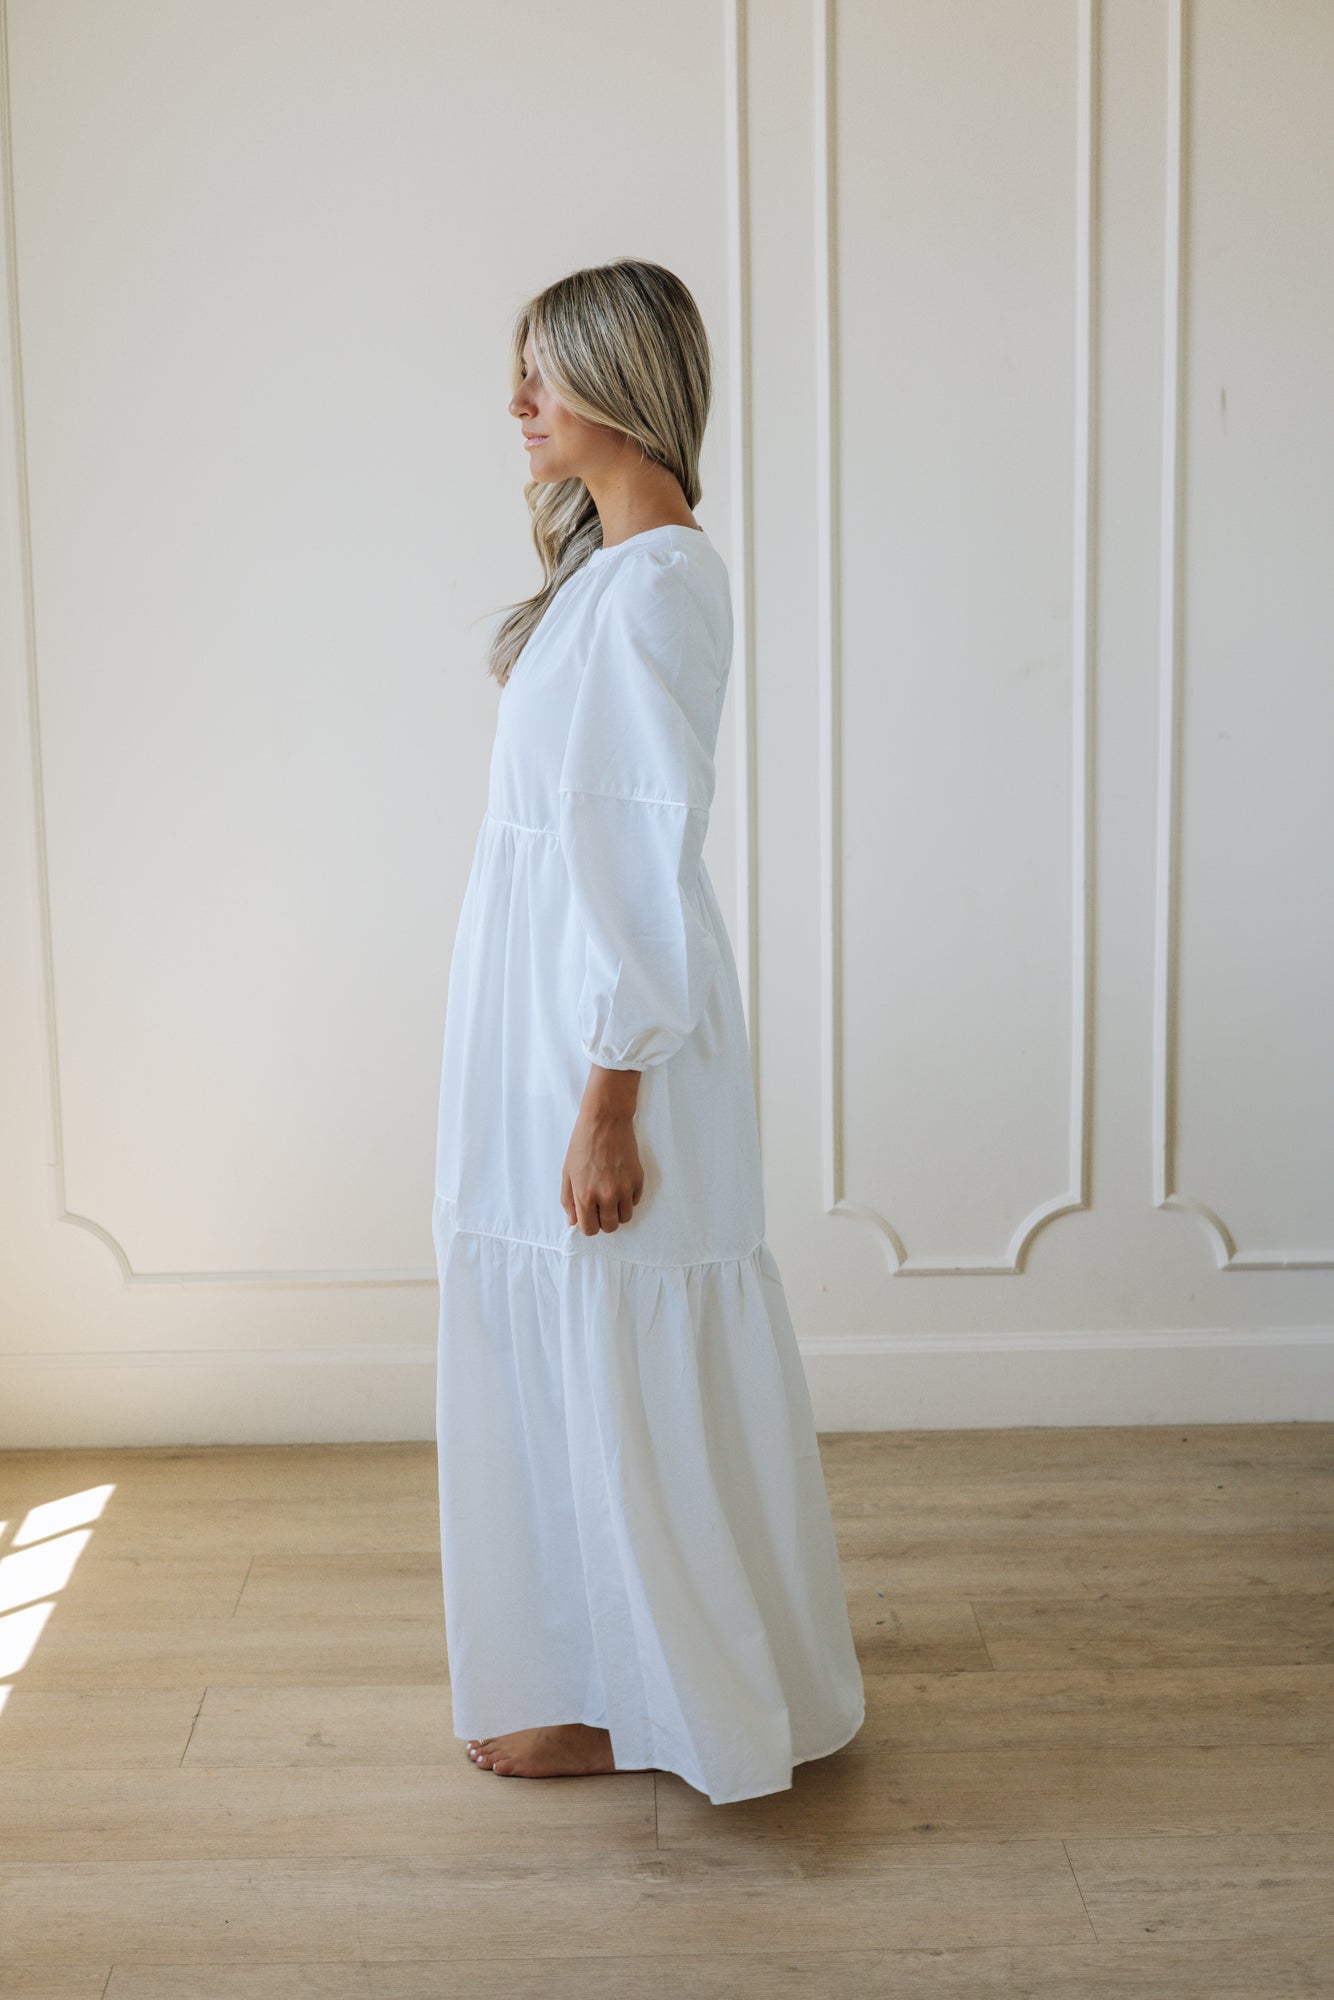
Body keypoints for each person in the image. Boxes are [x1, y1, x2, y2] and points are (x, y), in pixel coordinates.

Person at [433, 258, 864, 1805]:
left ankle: (651, 1703)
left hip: (603, 1033)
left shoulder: (661, 581)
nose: (516, 402)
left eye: (543, 372)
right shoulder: (607, 578)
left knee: (617, 1336)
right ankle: (614, 1679)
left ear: (620, 382)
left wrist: (610, 1094)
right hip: (543, 1010)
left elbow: (636, 846)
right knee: (575, 1336)